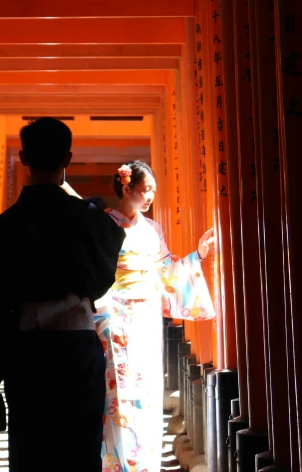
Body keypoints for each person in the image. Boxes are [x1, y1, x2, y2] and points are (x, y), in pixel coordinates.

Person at [0, 117, 126, 472]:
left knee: (32, 452)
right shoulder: (88, 217)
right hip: (78, 349)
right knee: (81, 451)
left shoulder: (7, 225)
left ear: (23, 157)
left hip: (28, 354)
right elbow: (103, 272)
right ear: (68, 158)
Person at [92, 160, 216, 472]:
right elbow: (94, 275)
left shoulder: (152, 229)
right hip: (115, 318)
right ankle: (117, 463)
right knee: (118, 392)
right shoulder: (105, 225)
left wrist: (197, 254)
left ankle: (144, 463)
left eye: (153, 191)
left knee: (147, 393)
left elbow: (166, 271)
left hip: (146, 319)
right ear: (126, 187)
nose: (150, 197)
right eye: (145, 189)